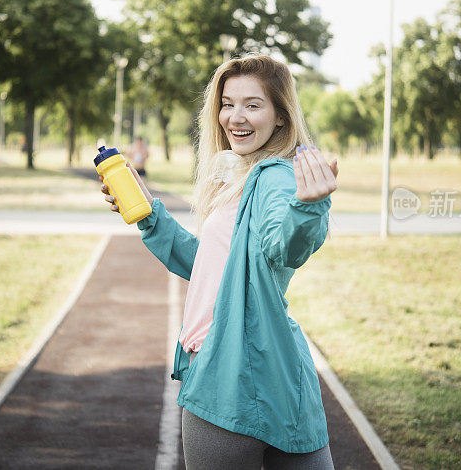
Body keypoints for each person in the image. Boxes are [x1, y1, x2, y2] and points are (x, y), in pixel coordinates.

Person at [99, 54, 338, 469]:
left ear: (281, 116)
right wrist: (150, 215)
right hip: (281, 371)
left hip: (227, 373)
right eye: (228, 103)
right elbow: (218, 269)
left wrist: (307, 208)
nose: (235, 116)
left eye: (253, 104)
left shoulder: (275, 178)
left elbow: (286, 248)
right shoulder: (242, 176)